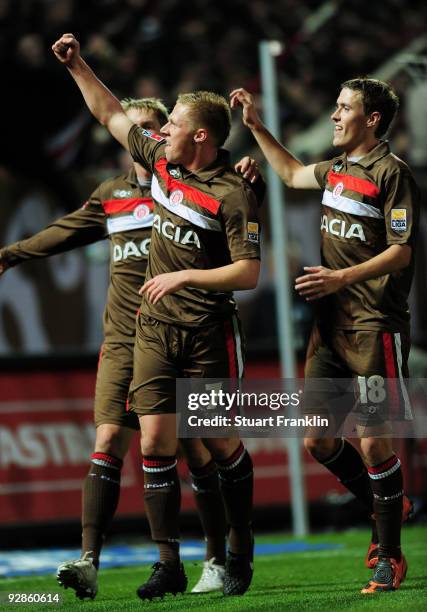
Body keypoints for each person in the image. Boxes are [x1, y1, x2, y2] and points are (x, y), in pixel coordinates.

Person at [0, 96, 261, 600]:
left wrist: (253, 181)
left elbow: (245, 256)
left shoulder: (207, 184)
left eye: (163, 125)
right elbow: (106, 118)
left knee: (207, 445)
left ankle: (226, 550)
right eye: (147, 130)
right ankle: (145, 562)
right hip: (138, 336)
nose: (153, 135)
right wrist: (75, 64)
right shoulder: (121, 191)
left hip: (205, 332)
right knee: (140, 444)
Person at [231, 78, 419, 594]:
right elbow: (291, 174)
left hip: (375, 326)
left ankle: (390, 555)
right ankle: (389, 505)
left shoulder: (391, 173)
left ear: (372, 119)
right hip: (329, 330)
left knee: (374, 440)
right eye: (335, 107)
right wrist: (257, 128)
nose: (334, 116)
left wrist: (340, 278)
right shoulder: (336, 170)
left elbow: (402, 251)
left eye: (344, 108)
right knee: (317, 437)